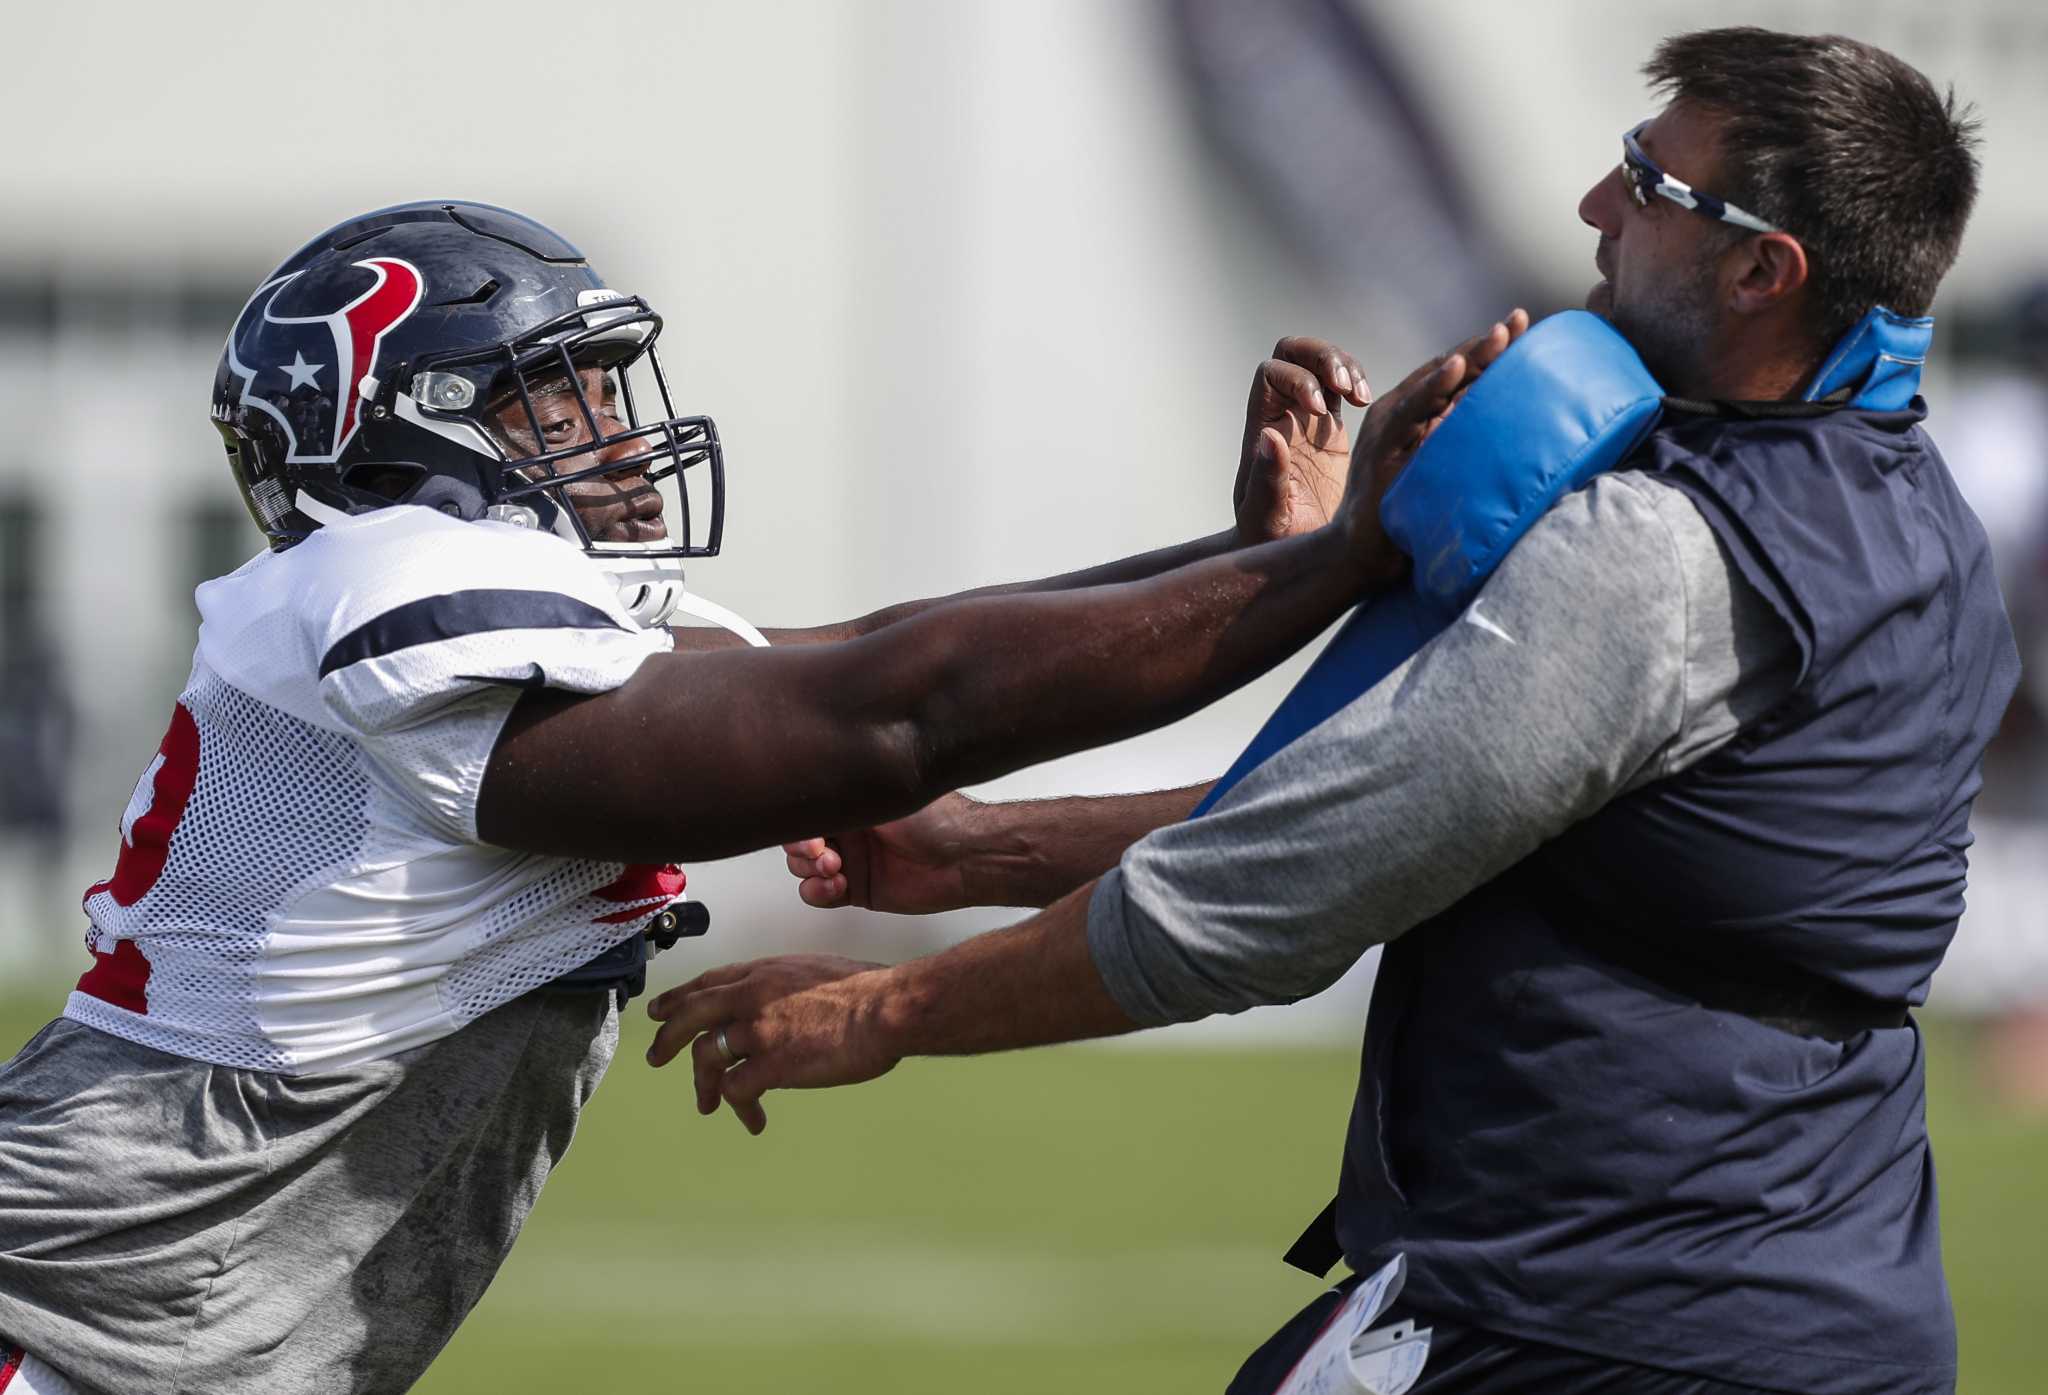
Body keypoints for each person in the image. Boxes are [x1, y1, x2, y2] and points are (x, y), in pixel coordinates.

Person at [654, 28, 2015, 1395]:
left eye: (1647, 185)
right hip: (1831, 1320)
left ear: (1760, 270)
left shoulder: (1663, 553)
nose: (1596, 211)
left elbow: (1284, 889)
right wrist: (977, 854)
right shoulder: (1921, 529)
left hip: (1587, 1321)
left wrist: (887, 1012)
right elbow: (1429, 807)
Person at [0, 199, 1515, 1395]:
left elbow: (866, 653)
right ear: (407, 439)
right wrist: (1318, 570)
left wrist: (1248, 562)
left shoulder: (429, 603)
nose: (612, 426)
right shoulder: (382, 583)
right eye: (554, 396)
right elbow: (894, 716)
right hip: (60, 1335)